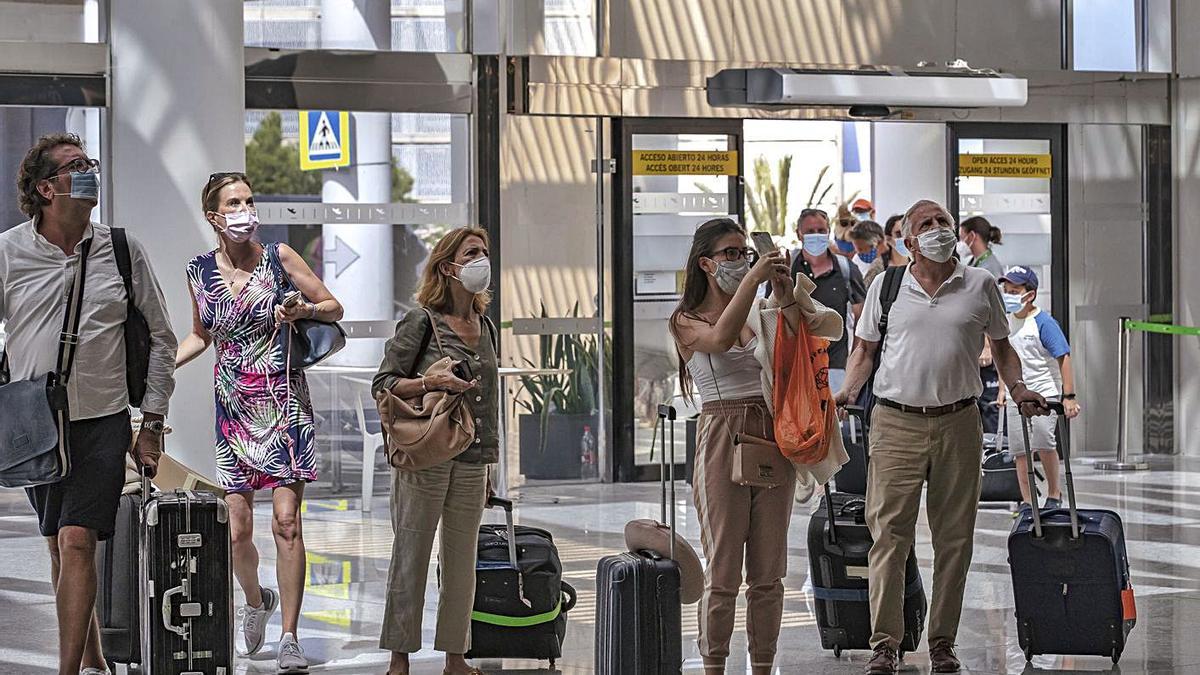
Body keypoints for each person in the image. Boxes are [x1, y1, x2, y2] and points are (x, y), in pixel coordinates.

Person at [834, 200, 1048, 674]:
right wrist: (848, 391)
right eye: (925, 224)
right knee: (889, 534)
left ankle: (942, 641)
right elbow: (864, 350)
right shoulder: (886, 286)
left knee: (955, 538)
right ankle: (886, 643)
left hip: (958, 422)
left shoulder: (981, 284)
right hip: (895, 422)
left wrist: (1017, 387)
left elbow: (1002, 347)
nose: (937, 230)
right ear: (908, 241)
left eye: (943, 222)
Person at [1, 133, 177, 675]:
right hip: (34, 423)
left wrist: (152, 421)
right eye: (76, 166)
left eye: (90, 163)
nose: (89, 173)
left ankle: (68, 671)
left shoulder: (122, 250)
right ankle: (95, 654)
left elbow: (162, 338)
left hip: (102, 420)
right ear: (46, 188)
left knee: (78, 541)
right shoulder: (10, 251)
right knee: (58, 543)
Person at [176, 172, 343, 674]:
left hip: (283, 402)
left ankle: (290, 637)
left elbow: (334, 307)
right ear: (214, 216)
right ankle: (255, 599)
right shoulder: (197, 271)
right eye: (234, 202)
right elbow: (200, 335)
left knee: (287, 522)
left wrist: (302, 308)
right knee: (237, 528)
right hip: (233, 407)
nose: (246, 209)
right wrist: (161, 366)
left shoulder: (280, 259)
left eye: (250, 200)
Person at [670, 218, 805, 674]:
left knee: (769, 571)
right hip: (722, 431)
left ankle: (764, 664)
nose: (740, 260)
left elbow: (793, 342)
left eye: (744, 252)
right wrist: (753, 278)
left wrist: (783, 291)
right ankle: (714, 665)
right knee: (724, 567)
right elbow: (720, 338)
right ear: (705, 263)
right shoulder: (685, 320)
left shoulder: (756, 308)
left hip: (769, 431)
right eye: (730, 253)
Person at [373, 226, 499, 675]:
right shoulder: (422, 320)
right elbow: (383, 384)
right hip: (425, 457)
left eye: (484, 252)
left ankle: (455, 658)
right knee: (411, 557)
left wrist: (489, 466)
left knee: (462, 564)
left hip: (470, 459)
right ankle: (399, 659)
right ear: (448, 267)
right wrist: (431, 381)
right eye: (471, 253)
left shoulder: (484, 325)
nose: (482, 259)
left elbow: (488, 401)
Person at [995, 266, 1079, 511]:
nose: (1009, 294)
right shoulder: (1006, 321)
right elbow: (1004, 359)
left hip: (1044, 391)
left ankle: (1054, 493)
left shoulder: (1044, 322)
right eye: (1006, 290)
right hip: (1016, 394)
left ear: (1030, 294)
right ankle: (1028, 500)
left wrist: (1069, 395)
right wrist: (1003, 389)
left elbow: (1064, 357)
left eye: (1015, 290)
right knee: (1021, 450)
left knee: (1044, 442)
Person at [786, 208, 866, 394]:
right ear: (799, 234)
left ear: (829, 231)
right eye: (810, 232)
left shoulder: (846, 269)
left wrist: (853, 362)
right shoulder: (788, 267)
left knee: (832, 421)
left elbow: (861, 318)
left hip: (835, 366)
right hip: (794, 365)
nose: (816, 236)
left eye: (821, 231)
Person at [863, 214, 909, 288]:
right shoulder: (879, 265)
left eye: (907, 232)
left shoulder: (916, 263)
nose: (904, 237)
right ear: (888, 238)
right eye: (899, 234)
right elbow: (864, 291)